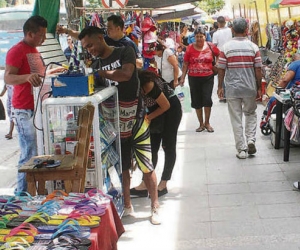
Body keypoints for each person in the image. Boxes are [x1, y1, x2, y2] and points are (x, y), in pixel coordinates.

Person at [78, 26, 160, 225]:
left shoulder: (125, 50)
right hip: (114, 124)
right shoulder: (96, 63)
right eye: (85, 47)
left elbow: (126, 74)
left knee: (146, 165)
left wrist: (102, 73)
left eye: (90, 44)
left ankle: (155, 206)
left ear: (100, 37)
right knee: (122, 166)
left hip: (136, 119)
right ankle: (127, 206)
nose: (89, 50)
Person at [4, 16, 51, 193]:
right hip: (23, 109)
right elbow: (8, 77)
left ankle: (34, 191)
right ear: (30, 33)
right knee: (28, 153)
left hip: (37, 107)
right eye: (41, 35)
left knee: (38, 152)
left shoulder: (35, 51)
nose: (44, 39)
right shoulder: (17, 51)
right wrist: (26, 78)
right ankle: (21, 195)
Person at [130, 70, 182, 197]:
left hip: (170, 110)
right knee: (151, 147)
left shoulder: (148, 84)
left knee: (168, 146)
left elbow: (165, 106)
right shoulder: (130, 84)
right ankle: (145, 184)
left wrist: (147, 118)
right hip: (155, 111)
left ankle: (163, 183)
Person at [217, 17, 262, 159]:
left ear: (232, 30)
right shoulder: (253, 47)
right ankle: (250, 139)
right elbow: (258, 70)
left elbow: (221, 69)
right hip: (250, 87)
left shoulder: (226, 47)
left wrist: (220, 86)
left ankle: (241, 150)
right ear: (246, 30)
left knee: (236, 118)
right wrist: (259, 87)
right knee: (250, 113)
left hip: (232, 88)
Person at [57, 15, 143, 68]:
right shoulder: (104, 39)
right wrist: (67, 31)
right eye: (106, 28)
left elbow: (140, 64)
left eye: (110, 28)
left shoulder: (129, 44)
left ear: (118, 28)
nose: (107, 30)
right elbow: (85, 37)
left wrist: (121, 57)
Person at [179, 27, 220, 133]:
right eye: (197, 37)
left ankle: (207, 123)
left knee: (207, 99)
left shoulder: (211, 46)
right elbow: (185, 64)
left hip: (208, 77)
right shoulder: (189, 48)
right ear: (194, 37)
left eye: (201, 36)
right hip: (193, 78)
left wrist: (217, 64)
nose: (199, 39)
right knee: (196, 101)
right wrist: (183, 77)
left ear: (205, 37)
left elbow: (219, 54)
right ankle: (201, 124)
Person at [213, 16, 233, 103]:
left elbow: (214, 46)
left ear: (218, 24)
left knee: (221, 75)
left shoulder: (216, 34)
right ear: (225, 22)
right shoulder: (230, 31)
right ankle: (230, 94)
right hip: (231, 55)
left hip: (220, 56)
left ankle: (223, 95)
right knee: (230, 75)